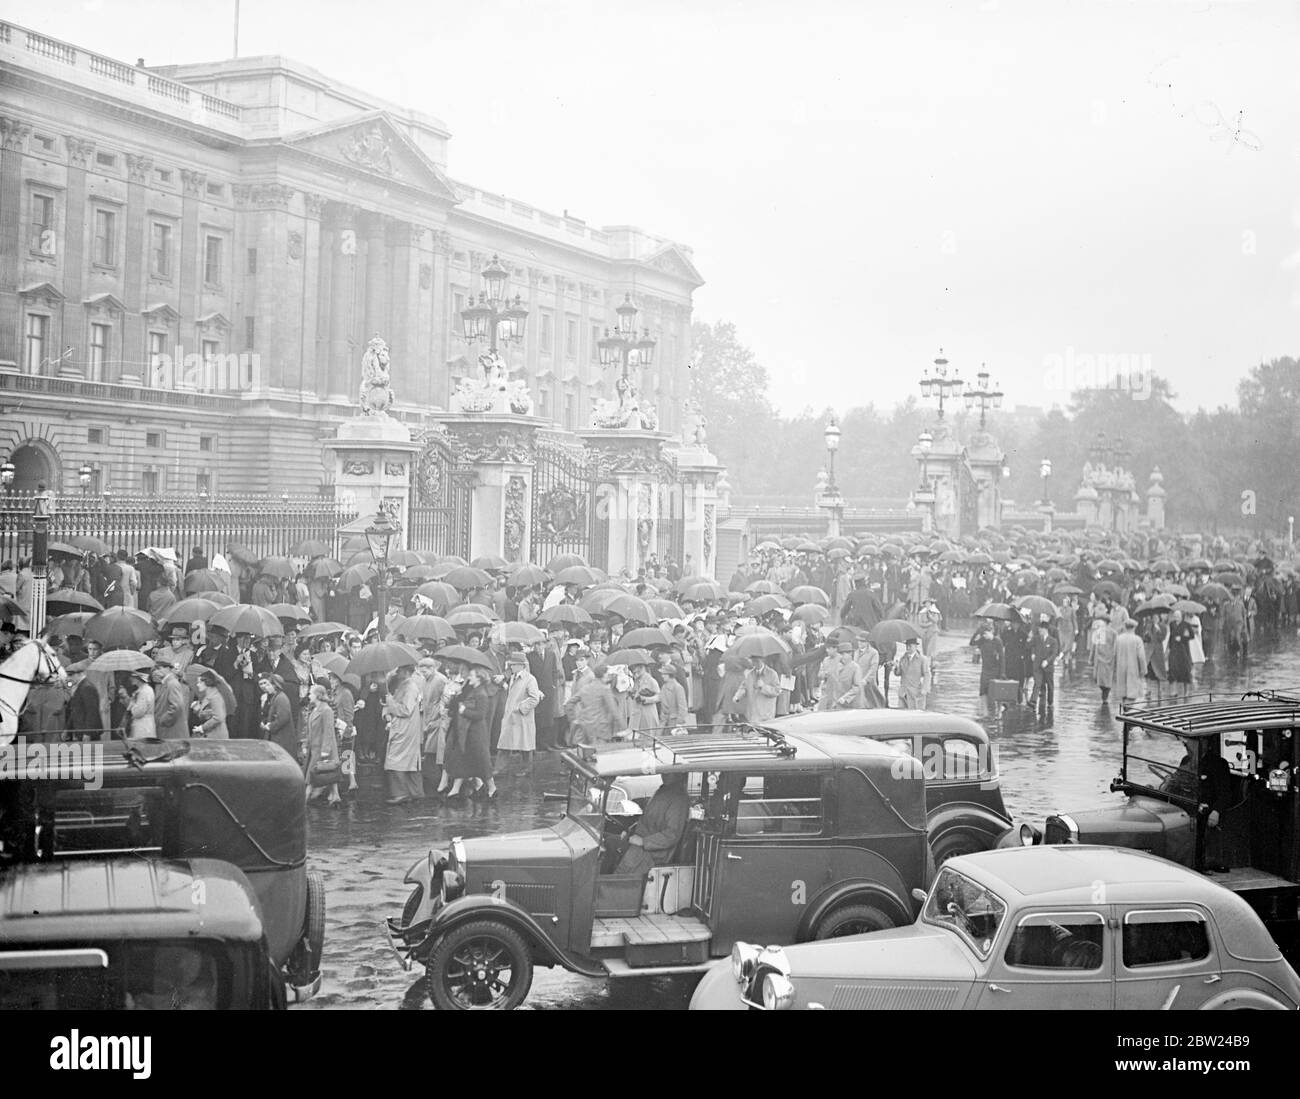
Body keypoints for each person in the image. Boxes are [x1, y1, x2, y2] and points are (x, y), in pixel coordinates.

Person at [614, 771, 691, 875]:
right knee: (610, 842)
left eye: (669, 772)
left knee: (619, 878)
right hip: (641, 846)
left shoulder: (678, 798)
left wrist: (644, 841)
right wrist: (630, 832)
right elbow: (646, 820)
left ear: (679, 773)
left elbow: (672, 834)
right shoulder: (663, 790)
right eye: (664, 771)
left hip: (653, 854)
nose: (664, 774)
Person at [444, 665, 495, 800]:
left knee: (481, 761)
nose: (469, 677)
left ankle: (492, 788)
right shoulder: (474, 690)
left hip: (476, 732)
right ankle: (455, 791)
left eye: (471, 675)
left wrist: (463, 711)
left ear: (478, 678)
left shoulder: (481, 694)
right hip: (467, 731)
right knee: (464, 759)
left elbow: (481, 714)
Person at [382, 664, 424, 804]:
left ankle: (401, 793)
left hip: (405, 730)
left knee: (396, 760)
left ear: (406, 672)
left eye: (400, 670)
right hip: (402, 727)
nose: (397, 672)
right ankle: (415, 792)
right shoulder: (404, 685)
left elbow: (406, 710)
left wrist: (391, 703)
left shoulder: (410, 687)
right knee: (409, 762)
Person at [498, 652, 542, 776]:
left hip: (522, 717)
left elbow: (534, 698)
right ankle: (500, 768)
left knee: (525, 745)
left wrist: (520, 708)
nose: (510, 666)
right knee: (505, 743)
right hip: (511, 716)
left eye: (512, 664)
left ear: (520, 665)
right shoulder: (513, 677)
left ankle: (527, 769)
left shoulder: (530, 679)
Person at [304, 683, 342, 806]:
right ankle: (335, 796)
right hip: (315, 748)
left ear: (318, 695)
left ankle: (304, 799)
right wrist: (306, 745)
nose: (309, 696)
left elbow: (329, 731)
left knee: (314, 775)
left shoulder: (326, 710)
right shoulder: (315, 709)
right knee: (328, 773)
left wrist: (325, 750)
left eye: (310, 693)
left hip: (324, 748)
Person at [735, 654, 781, 723]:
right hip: (752, 714)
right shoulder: (749, 674)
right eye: (753, 661)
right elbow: (744, 687)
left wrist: (763, 687)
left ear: (763, 660)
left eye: (757, 661)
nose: (755, 663)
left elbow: (777, 691)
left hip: (766, 715)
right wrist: (738, 696)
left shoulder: (772, 674)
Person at [151, 660, 190, 740]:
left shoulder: (172, 683)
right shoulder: (165, 683)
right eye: (154, 669)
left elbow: (177, 706)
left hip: (172, 731)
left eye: (159, 668)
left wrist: (163, 720)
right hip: (167, 731)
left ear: (168, 668)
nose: (156, 672)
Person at [1029, 614, 1060, 716]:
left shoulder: (1053, 641)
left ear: (1045, 630)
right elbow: (1030, 646)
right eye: (1039, 629)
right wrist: (1030, 642)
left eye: (1041, 629)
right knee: (1037, 683)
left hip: (1048, 667)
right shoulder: (1036, 638)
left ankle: (1050, 702)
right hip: (1038, 665)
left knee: (1050, 686)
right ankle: (1033, 701)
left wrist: (1047, 661)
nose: (1039, 631)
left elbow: (1054, 653)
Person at [259, 672, 295, 754]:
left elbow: (283, 718)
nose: (266, 687)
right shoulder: (275, 697)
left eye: (268, 685)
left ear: (274, 686)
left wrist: (270, 726)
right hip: (278, 737)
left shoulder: (281, 698)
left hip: (282, 738)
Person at [1113, 618, 1147, 707]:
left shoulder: (1118, 639)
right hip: (1133, 668)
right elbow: (1141, 656)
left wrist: (1114, 669)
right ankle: (1127, 711)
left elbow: (1114, 654)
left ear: (1125, 627)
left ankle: (1125, 708)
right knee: (1132, 693)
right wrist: (1143, 669)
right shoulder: (1137, 640)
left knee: (1123, 692)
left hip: (1121, 668)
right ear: (1134, 628)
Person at [893, 636, 931, 710]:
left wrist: (924, 689)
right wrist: (896, 667)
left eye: (910, 646)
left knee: (915, 716)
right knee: (901, 715)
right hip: (903, 693)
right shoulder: (903, 658)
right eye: (906, 646)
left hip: (915, 693)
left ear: (915, 646)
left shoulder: (922, 659)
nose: (908, 648)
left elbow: (927, 675)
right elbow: (898, 673)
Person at [1167, 609, 1195, 700]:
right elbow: (1171, 636)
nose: (1176, 617)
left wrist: (1182, 638)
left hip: (1183, 650)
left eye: (1178, 616)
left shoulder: (1186, 625)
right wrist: (1168, 648)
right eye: (1175, 616)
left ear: (1181, 616)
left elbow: (1191, 636)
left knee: (1185, 670)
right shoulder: (1172, 624)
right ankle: (1173, 691)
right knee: (1173, 669)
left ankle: (1186, 692)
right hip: (1174, 650)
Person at [191, 671, 229, 738]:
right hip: (211, 734)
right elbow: (208, 714)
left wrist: (202, 728)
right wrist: (197, 709)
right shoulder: (208, 695)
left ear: (207, 682)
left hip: (217, 735)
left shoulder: (215, 697)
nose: (197, 685)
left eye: (200, 682)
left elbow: (218, 718)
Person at [1088, 615, 1118, 703]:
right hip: (1106, 659)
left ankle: (1105, 695)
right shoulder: (1110, 632)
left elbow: (1093, 646)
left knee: (1099, 678)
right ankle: (1105, 693)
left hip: (1103, 659)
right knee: (1104, 678)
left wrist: (1091, 658)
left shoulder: (1110, 633)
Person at [123, 671, 156, 738]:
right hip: (143, 724)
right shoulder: (142, 690)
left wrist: (133, 704)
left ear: (139, 679)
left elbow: (138, 713)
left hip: (143, 725)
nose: (131, 679)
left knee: (141, 746)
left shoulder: (144, 692)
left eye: (133, 677)